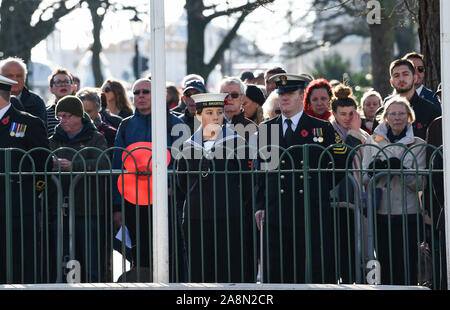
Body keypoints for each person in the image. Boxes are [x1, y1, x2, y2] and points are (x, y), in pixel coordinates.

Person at [254, 73, 348, 284]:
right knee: (278, 271)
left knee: (310, 270)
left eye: (289, 93)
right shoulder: (268, 128)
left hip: (310, 209)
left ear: (300, 94)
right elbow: (261, 171)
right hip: (276, 209)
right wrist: (259, 204)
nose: (284, 98)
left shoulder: (321, 128)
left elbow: (339, 164)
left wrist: (320, 189)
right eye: (281, 94)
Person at [112, 78, 186, 281]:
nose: (140, 96)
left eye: (145, 92)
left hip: (167, 201)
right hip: (134, 202)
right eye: (136, 93)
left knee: (172, 251)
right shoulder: (126, 126)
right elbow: (118, 167)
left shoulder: (175, 123)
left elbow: (184, 164)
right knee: (140, 253)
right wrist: (117, 206)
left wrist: (173, 187)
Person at [176, 93, 254, 283]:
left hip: (229, 215)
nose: (215, 117)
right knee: (200, 270)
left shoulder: (236, 142)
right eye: (209, 112)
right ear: (198, 116)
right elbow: (183, 183)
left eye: (219, 112)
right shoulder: (188, 146)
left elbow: (246, 182)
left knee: (229, 269)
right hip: (197, 215)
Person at [362, 96, 427, 285]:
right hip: (381, 212)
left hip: (409, 212)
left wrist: (403, 170)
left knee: (408, 265)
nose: (397, 118)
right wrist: (377, 171)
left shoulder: (419, 144)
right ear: (385, 117)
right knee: (384, 263)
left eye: (401, 113)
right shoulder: (372, 141)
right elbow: (364, 178)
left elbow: (420, 183)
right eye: (392, 114)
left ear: (409, 117)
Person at [47, 95, 109, 283]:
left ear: (79, 116)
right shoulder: (53, 140)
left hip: (89, 209)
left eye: (67, 116)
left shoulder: (95, 138)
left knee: (91, 261)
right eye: (60, 116)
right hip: (60, 209)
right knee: (63, 260)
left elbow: (103, 161)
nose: (62, 120)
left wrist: (73, 164)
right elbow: (42, 162)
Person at [0, 74, 49, 284]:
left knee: (21, 263)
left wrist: (31, 192)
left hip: (19, 205)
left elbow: (42, 164)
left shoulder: (28, 122)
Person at [329, 84, 370, 284]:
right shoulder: (330, 133)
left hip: (358, 198)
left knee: (359, 247)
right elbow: (342, 158)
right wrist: (354, 134)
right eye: (342, 113)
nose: (346, 118)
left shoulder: (362, 133)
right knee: (341, 247)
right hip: (338, 200)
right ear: (334, 113)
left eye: (351, 113)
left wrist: (356, 132)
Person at [373, 58, 441, 140]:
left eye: (405, 74)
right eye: (396, 75)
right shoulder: (381, 114)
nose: (401, 79)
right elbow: (374, 146)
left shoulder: (431, 111)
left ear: (415, 78)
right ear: (392, 82)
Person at [0, 57, 47, 126]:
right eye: (9, 76)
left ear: (25, 78)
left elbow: (40, 132)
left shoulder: (36, 102)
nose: (14, 80)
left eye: (19, 76)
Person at [46, 68, 76, 138]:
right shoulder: (45, 113)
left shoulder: (82, 110)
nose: (63, 85)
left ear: (73, 87)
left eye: (66, 81)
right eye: (58, 82)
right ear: (51, 89)